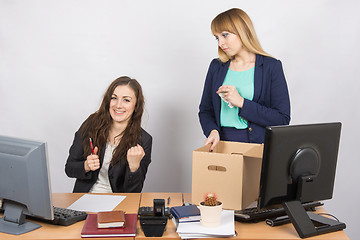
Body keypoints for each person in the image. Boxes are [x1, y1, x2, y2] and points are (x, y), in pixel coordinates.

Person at [199, 8, 290, 151]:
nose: (220, 43)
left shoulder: (271, 67)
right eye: (217, 38)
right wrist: (212, 130)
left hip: (256, 146)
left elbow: (282, 119)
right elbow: (205, 110)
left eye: (225, 35)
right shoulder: (216, 67)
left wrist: (241, 103)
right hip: (221, 145)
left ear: (243, 31)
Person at [65, 76, 152, 193]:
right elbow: (69, 168)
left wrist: (134, 168)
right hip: (84, 199)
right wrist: (86, 166)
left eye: (126, 100)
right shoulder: (91, 124)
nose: (118, 105)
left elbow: (133, 192)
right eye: (114, 98)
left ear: (136, 105)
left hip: (118, 204)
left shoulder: (143, 140)